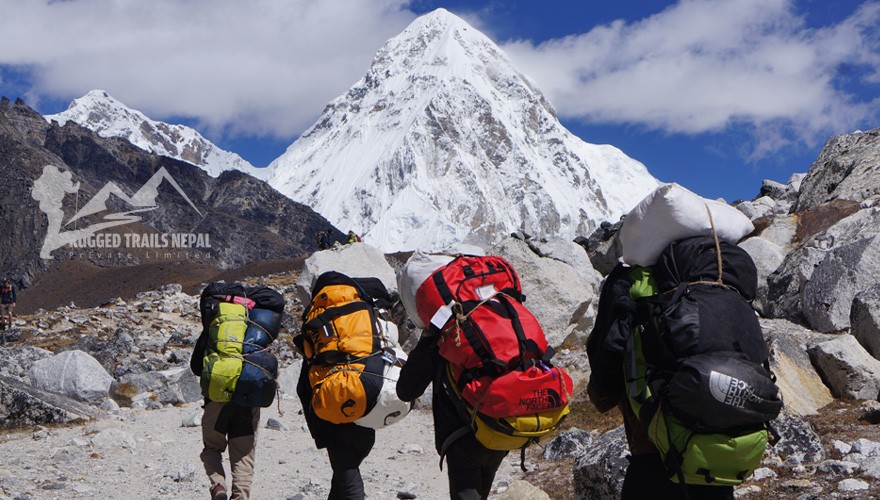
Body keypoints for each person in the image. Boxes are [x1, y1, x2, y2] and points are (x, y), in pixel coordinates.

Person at [586, 263, 734, 500]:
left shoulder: (629, 277)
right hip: (722, 451)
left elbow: (605, 387)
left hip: (654, 452)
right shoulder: (719, 270)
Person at [397, 330, 508, 500]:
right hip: (502, 428)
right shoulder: (496, 323)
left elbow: (406, 390)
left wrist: (427, 339)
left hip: (464, 436)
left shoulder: (445, 332)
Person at [295, 347, 376, 500]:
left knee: (348, 478)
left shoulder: (322, 331)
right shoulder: (362, 332)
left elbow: (303, 388)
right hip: (367, 409)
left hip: (335, 418)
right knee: (341, 478)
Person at [200, 400, 261, 500]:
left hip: (217, 402)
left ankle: (218, 486)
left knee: (212, 448)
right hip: (249, 402)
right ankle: (240, 496)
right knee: (243, 455)